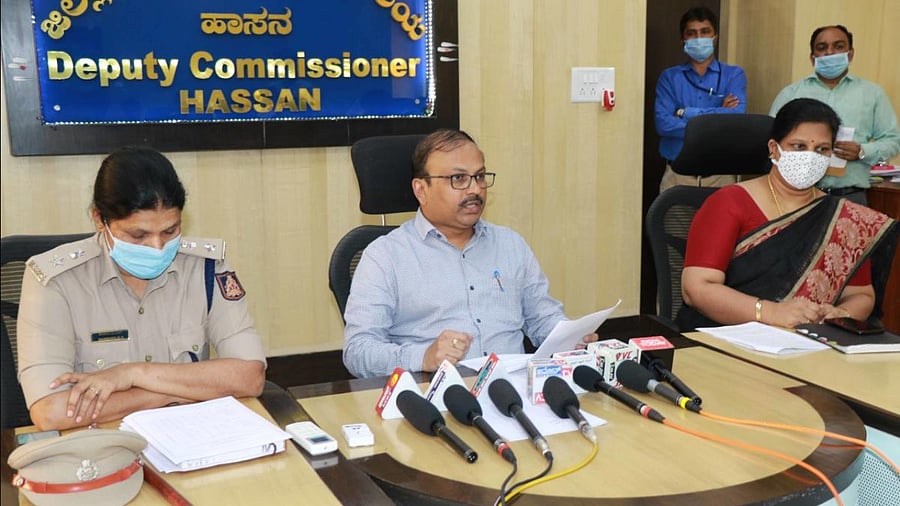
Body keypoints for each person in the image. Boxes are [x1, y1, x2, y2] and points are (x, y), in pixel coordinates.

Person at [17, 147, 267, 430]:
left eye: (170, 231)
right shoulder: (55, 280)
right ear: (100, 219)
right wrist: (175, 389)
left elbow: (250, 376)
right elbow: (50, 412)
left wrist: (132, 374)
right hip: (100, 451)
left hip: (191, 438)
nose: (157, 247)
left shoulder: (206, 269)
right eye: (139, 235)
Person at [343, 129, 597, 378]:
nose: (474, 189)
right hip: (433, 398)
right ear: (421, 189)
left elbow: (542, 317)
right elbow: (358, 352)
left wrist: (569, 337)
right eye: (458, 179)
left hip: (514, 391)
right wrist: (423, 357)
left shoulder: (510, 244)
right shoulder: (384, 257)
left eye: (480, 176)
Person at [678, 98, 898, 331]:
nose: (810, 156)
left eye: (822, 149)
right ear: (775, 149)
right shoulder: (729, 203)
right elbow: (697, 288)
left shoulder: (843, 220)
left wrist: (839, 314)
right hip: (725, 337)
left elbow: (862, 295)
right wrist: (769, 312)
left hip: (810, 345)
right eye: (799, 146)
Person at [769, 25, 900, 206]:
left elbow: (893, 140)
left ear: (850, 53)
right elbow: (771, 139)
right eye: (822, 48)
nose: (830, 52)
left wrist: (862, 151)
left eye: (838, 46)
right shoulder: (791, 94)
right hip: (798, 196)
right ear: (812, 58)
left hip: (850, 196)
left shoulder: (872, 94)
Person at [655, 6, 747, 192]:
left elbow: (735, 118)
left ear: (715, 37)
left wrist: (685, 112)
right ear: (683, 40)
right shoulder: (669, 78)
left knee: (722, 222)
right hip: (678, 175)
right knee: (674, 223)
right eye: (692, 33)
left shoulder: (734, 75)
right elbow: (663, 124)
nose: (699, 38)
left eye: (705, 32)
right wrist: (718, 114)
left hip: (720, 176)